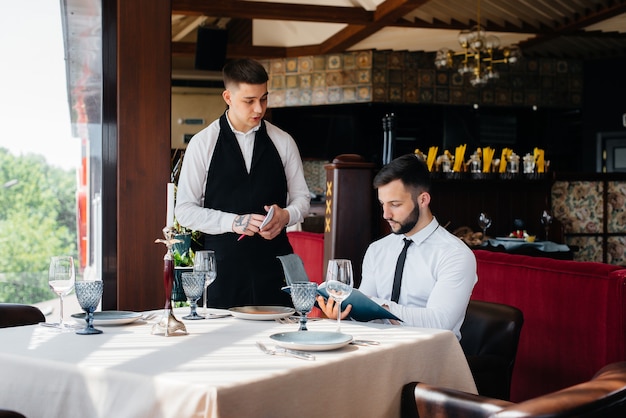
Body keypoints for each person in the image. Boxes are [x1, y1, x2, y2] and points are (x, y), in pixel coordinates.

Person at [175, 58, 311, 309]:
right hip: (220, 272)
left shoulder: (283, 141)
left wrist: (286, 215)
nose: (259, 109)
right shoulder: (202, 143)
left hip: (275, 268)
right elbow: (184, 211)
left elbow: (302, 199)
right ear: (227, 97)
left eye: (264, 98)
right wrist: (234, 222)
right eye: (249, 101)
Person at [318, 154, 477, 339]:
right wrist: (344, 312)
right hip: (376, 349)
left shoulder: (454, 254)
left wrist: (381, 307)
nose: (385, 214)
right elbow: (363, 311)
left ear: (423, 200)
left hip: (430, 356)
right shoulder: (377, 249)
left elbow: (439, 322)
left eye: (395, 204)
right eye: (382, 204)